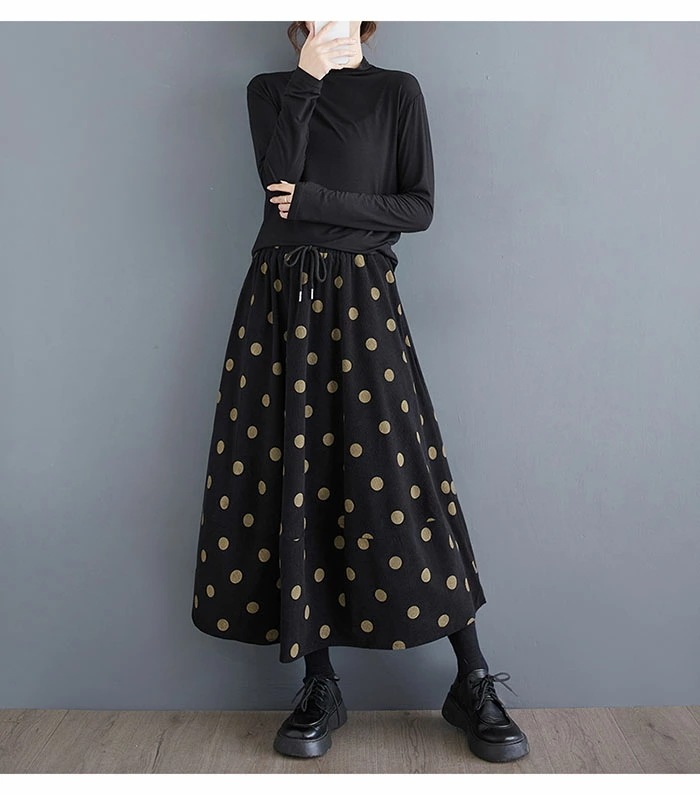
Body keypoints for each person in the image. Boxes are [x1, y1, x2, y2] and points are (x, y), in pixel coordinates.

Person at [190, 20, 529, 764]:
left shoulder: (397, 92)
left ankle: (471, 678)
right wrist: (307, 82)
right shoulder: (269, 91)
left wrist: (314, 199)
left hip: (363, 298)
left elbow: (417, 208)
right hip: (278, 304)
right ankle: (319, 682)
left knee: (402, 476)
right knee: (293, 475)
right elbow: (275, 189)